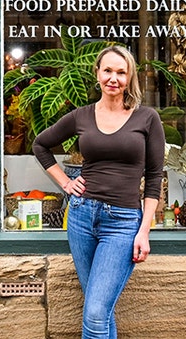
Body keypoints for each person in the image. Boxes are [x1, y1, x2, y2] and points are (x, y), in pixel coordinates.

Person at [33, 44, 165, 339]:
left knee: (94, 312)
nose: (113, 78)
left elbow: (154, 177)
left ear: (130, 77)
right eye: (108, 70)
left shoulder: (147, 119)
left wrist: (144, 231)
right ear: (98, 73)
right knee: (100, 311)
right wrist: (65, 183)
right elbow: (40, 145)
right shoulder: (81, 116)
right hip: (81, 218)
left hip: (122, 222)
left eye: (121, 72)